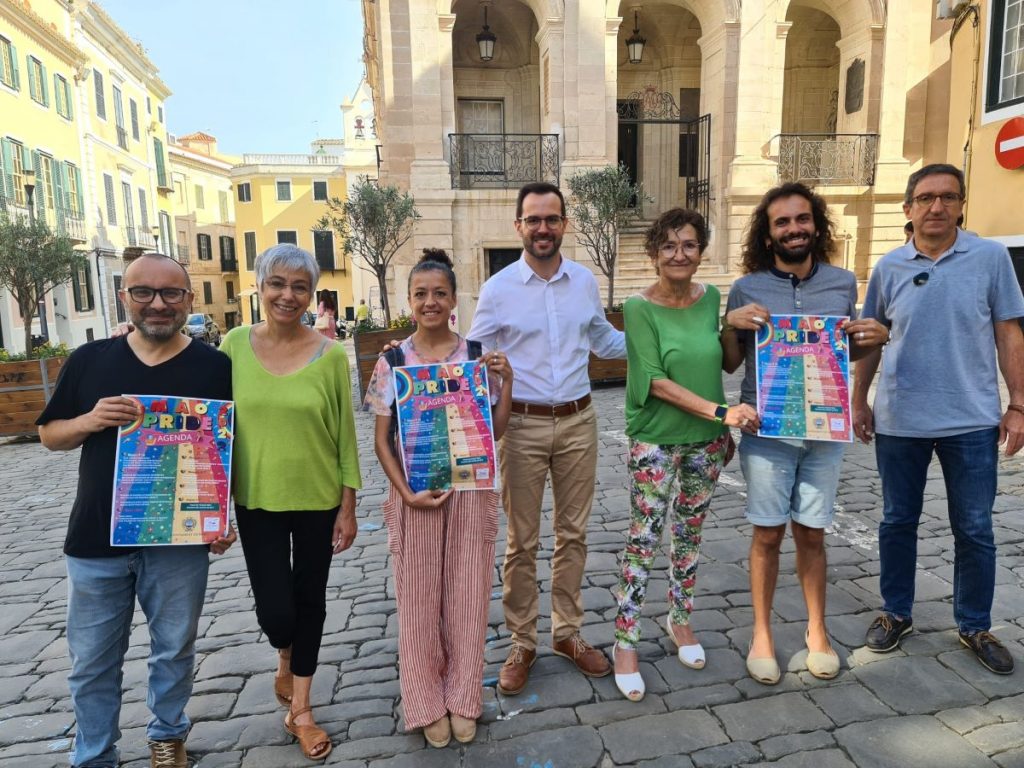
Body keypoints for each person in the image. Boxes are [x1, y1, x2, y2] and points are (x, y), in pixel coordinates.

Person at [36, 253, 236, 768]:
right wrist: (89, 420)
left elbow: (230, 446)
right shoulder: (89, 361)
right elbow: (49, 435)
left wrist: (219, 515)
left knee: (174, 648)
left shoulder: (215, 367)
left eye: (172, 294)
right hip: (95, 541)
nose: (158, 303)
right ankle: (95, 754)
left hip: (179, 539)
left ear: (188, 301)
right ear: (124, 297)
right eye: (144, 292)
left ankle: (167, 735)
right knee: (91, 662)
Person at [853, 164, 1024, 675]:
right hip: (900, 419)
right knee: (896, 522)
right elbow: (869, 338)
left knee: (974, 528)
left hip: (970, 420)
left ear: (961, 205)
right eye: (926, 198)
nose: (936, 207)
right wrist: (860, 399)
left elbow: (1009, 334)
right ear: (908, 209)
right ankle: (896, 613)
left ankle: (974, 623)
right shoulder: (889, 267)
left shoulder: (990, 258)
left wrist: (1018, 404)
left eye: (948, 197)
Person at [721, 182, 889, 685]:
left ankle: (818, 632)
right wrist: (729, 324)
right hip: (769, 430)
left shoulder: (842, 282)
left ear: (816, 223)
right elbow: (732, 363)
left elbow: (846, 354)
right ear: (768, 234)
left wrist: (875, 338)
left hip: (823, 430)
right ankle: (762, 635)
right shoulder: (747, 287)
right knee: (767, 533)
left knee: (812, 532)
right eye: (782, 222)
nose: (794, 229)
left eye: (801, 219)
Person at [468, 181, 625, 695]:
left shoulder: (583, 282)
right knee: (521, 542)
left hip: (580, 420)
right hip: (522, 428)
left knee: (575, 535)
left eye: (551, 219)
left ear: (564, 224)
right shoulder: (497, 290)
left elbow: (604, 339)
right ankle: (522, 641)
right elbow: (474, 360)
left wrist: (664, 326)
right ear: (518, 226)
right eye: (533, 219)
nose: (542, 228)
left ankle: (567, 633)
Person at [364, 249, 513, 747]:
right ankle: (426, 701)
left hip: (470, 492)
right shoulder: (392, 362)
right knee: (418, 601)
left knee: (470, 597)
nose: (431, 302)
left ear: (454, 300)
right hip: (416, 492)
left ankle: (464, 696)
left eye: (440, 293)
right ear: (410, 301)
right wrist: (405, 493)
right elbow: (382, 440)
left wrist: (506, 384)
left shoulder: (474, 357)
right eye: (421, 294)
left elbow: (493, 430)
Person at [220, 244, 362, 760]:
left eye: (299, 286)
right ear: (259, 285)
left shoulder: (330, 355)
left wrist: (348, 505)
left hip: (318, 497)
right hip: (256, 499)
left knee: (311, 601)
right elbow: (213, 427)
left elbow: (345, 434)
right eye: (277, 283)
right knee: (276, 612)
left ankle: (301, 708)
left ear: (311, 294)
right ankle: (284, 652)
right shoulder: (232, 346)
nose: (287, 294)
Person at [611, 209, 759, 701]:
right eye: (669, 246)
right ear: (654, 254)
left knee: (689, 535)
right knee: (644, 540)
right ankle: (626, 641)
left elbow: (725, 360)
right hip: (655, 439)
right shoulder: (639, 307)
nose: (680, 254)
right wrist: (723, 413)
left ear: (701, 251)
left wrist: (731, 327)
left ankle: (680, 621)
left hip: (707, 443)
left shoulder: (711, 297)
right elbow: (653, 380)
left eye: (689, 245)